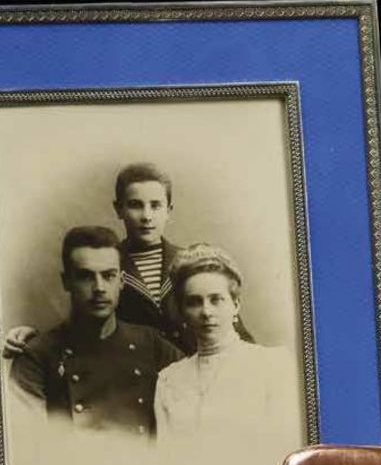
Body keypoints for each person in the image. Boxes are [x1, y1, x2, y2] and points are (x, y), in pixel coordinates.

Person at [3, 161, 252, 358]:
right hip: (136, 381)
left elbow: (233, 326)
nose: (146, 216)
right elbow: (82, 325)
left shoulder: (193, 265)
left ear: (169, 210)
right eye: (135, 205)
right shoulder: (106, 265)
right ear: (119, 209)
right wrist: (34, 338)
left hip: (199, 374)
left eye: (155, 205)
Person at [9, 226, 182, 435]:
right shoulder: (37, 356)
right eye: (85, 276)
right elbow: (27, 438)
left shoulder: (150, 343)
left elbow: (197, 387)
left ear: (121, 281)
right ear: (66, 282)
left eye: (109, 276)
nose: (99, 288)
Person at [154, 244, 298, 445]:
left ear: (235, 305)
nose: (206, 312)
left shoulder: (272, 365)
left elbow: (286, 445)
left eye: (216, 300)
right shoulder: (169, 380)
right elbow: (166, 454)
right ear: (181, 311)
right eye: (194, 302)